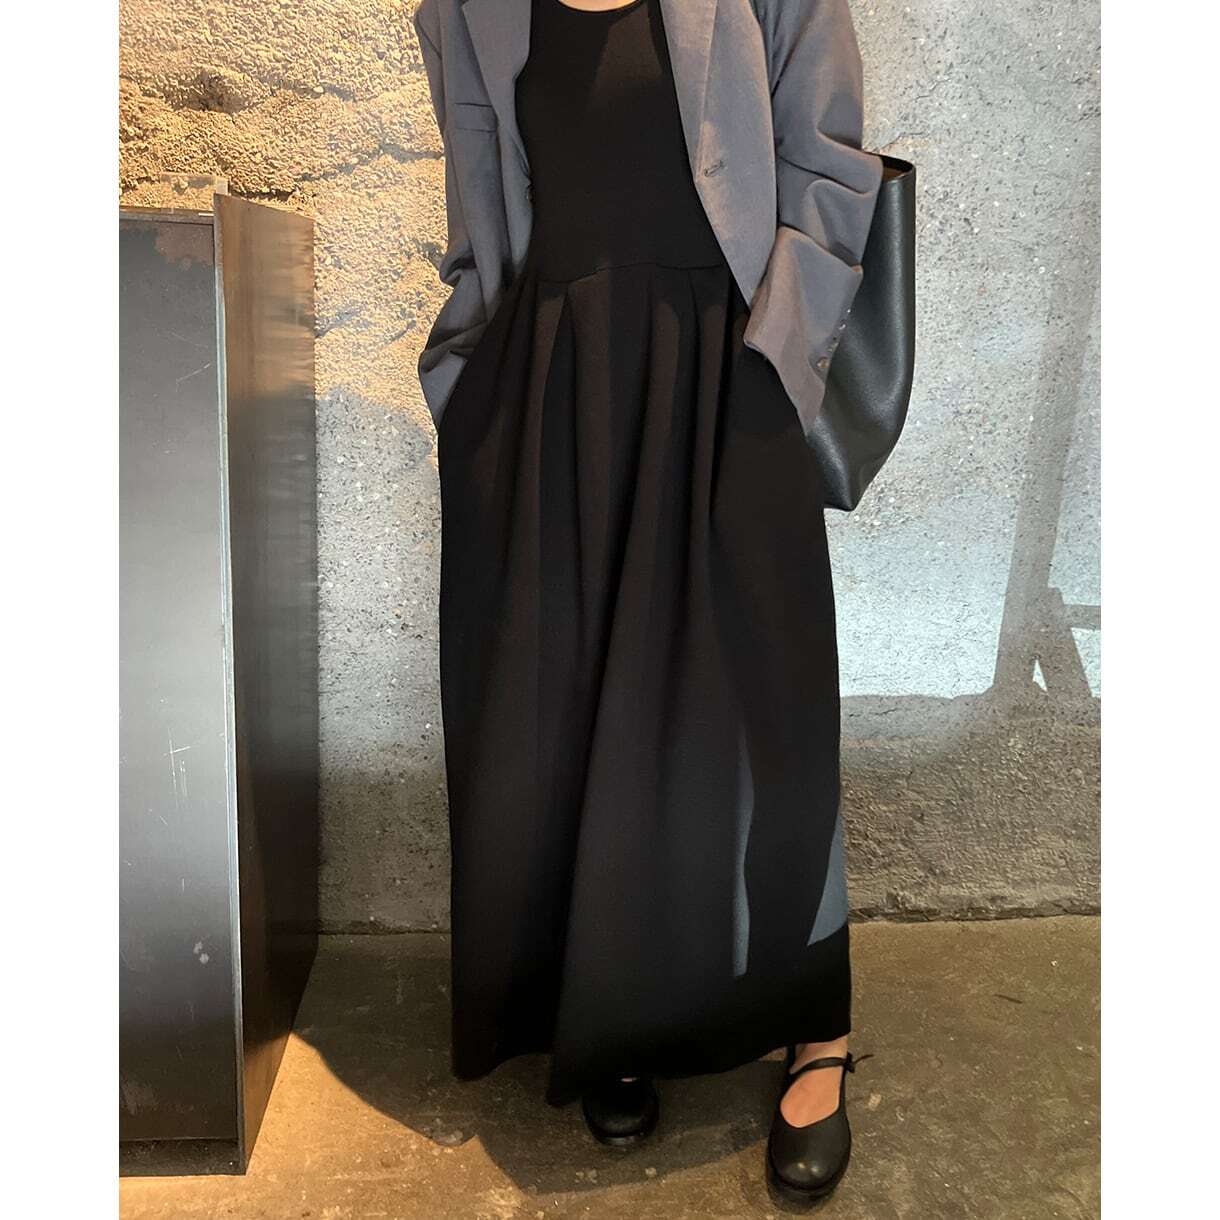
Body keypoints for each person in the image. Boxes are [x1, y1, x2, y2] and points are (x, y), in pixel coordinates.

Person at [414, 0, 884, 1203]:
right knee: (579, 710)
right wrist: (468, 373)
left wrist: (776, 363)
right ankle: (618, 1012)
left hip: (730, 368)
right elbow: (479, 195)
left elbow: (830, 162)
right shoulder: (465, 4)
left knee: (766, 706)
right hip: (555, 380)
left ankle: (815, 1029)